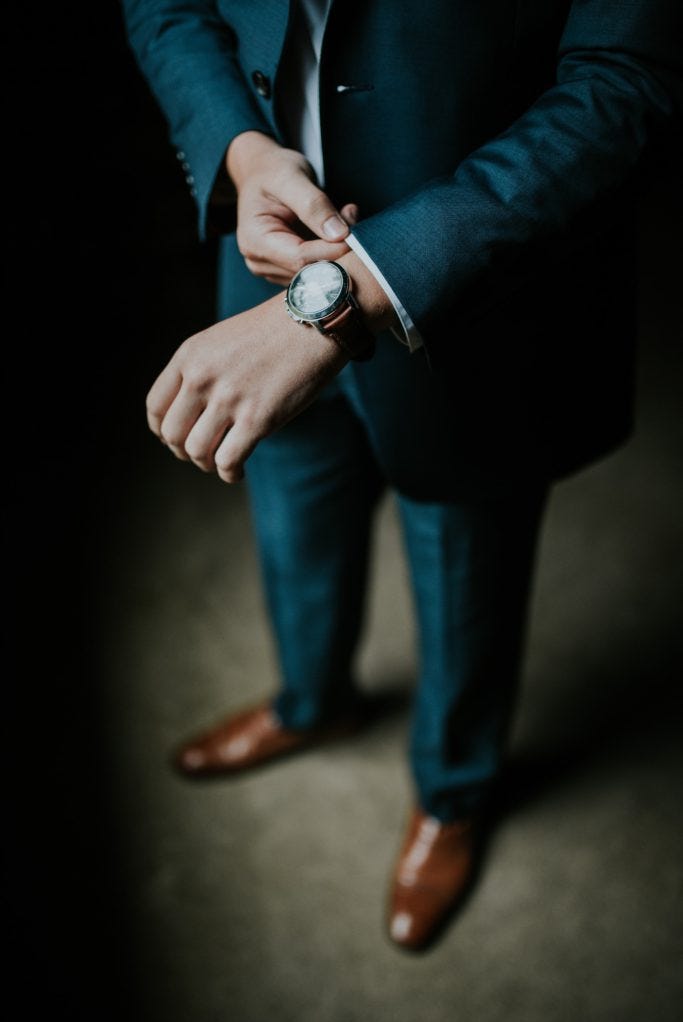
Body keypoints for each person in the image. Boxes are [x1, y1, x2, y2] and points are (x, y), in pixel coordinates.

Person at [122, 0, 682, 950]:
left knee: (467, 561)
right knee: (291, 516)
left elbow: (623, 78)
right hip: (255, 263)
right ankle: (313, 703)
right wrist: (240, 150)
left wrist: (344, 298)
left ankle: (452, 794)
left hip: (478, 298)